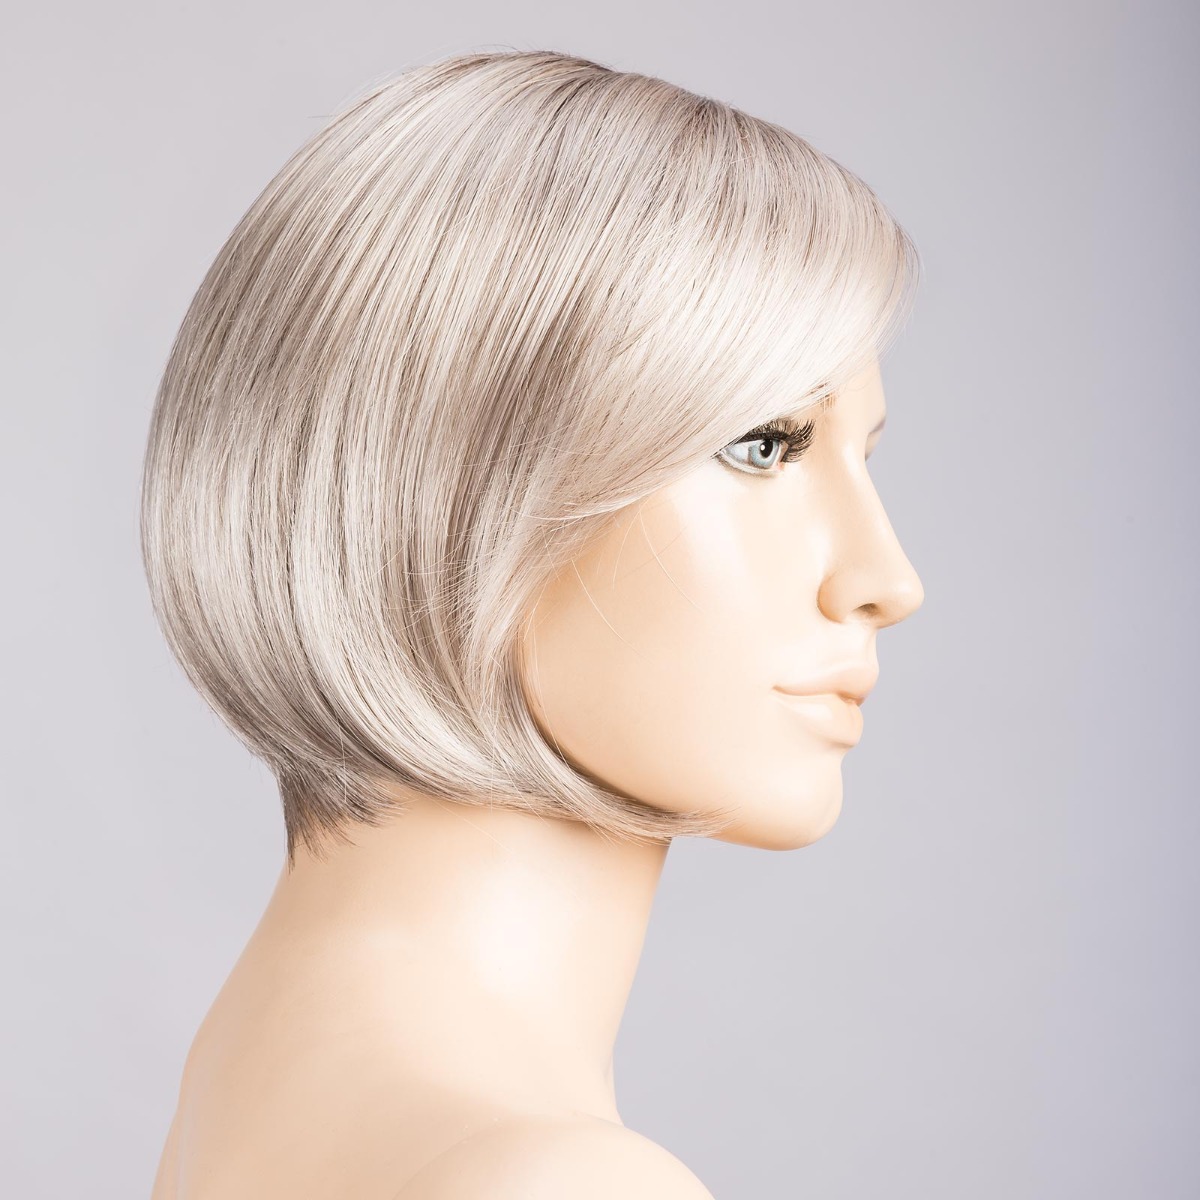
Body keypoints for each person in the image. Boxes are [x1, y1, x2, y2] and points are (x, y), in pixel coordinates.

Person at [142, 47, 925, 1199]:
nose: (885, 578)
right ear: (446, 479)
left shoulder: (259, 1071)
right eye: (763, 445)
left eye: (862, 456)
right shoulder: (553, 1177)